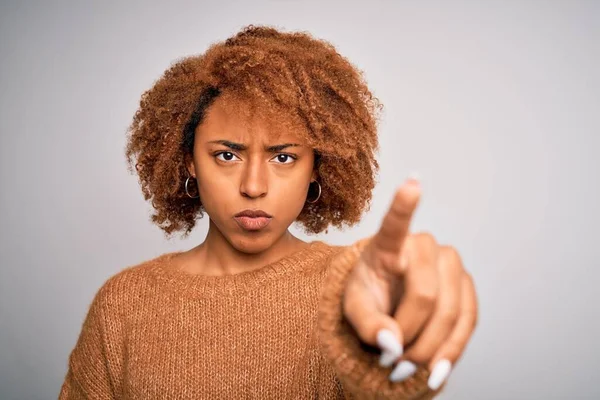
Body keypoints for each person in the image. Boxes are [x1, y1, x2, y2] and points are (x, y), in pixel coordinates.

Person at [59, 25, 478, 399]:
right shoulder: (124, 303)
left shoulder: (353, 291)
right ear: (188, 161)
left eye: (283, 158)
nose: (254, 186)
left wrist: (393, 335)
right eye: (226, 154)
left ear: (316, 165)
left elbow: (388, 376)